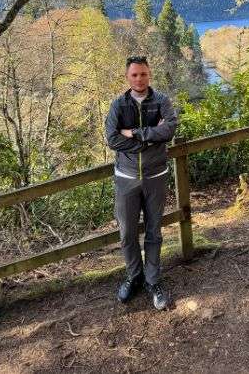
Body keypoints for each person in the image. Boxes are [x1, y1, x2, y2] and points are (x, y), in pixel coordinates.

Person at [104, 56, 178, 310]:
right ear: (127, 77)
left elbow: (169, 130)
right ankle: (134, 277)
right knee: (127, 233)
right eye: (134, 75)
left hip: (156, 176)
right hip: (126, 178)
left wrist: (136, 133)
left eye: (143, 74)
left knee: (154, 231)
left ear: (149, 74)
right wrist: (150, 137)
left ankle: (152, 280)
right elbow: (112, 139)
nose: (139, 79)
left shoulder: (161, 101)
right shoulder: (118, 105)